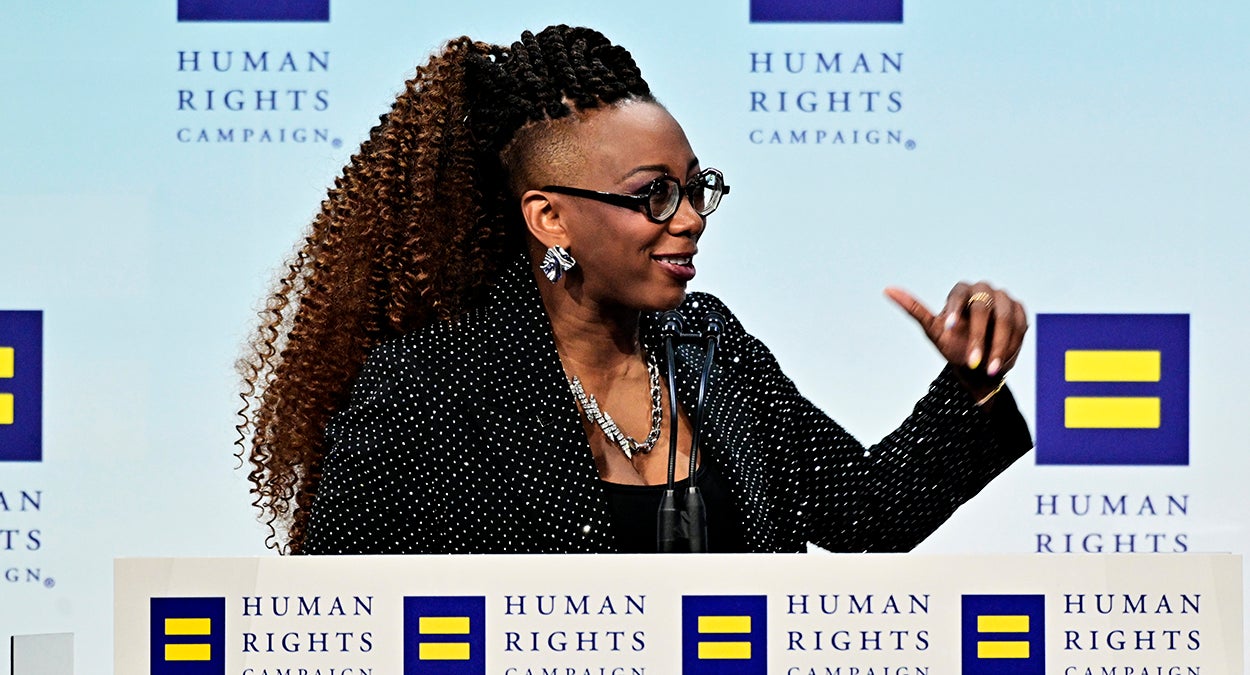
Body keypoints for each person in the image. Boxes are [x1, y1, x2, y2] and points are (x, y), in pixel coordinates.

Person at [236, 25, 1032, 556]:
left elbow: (868, 511)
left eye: (696, 188)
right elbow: (342, 625)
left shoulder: (713, 348)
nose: (690, 219)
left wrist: (973, 383)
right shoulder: (427, 390)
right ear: (549, 217)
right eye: (654, 194)